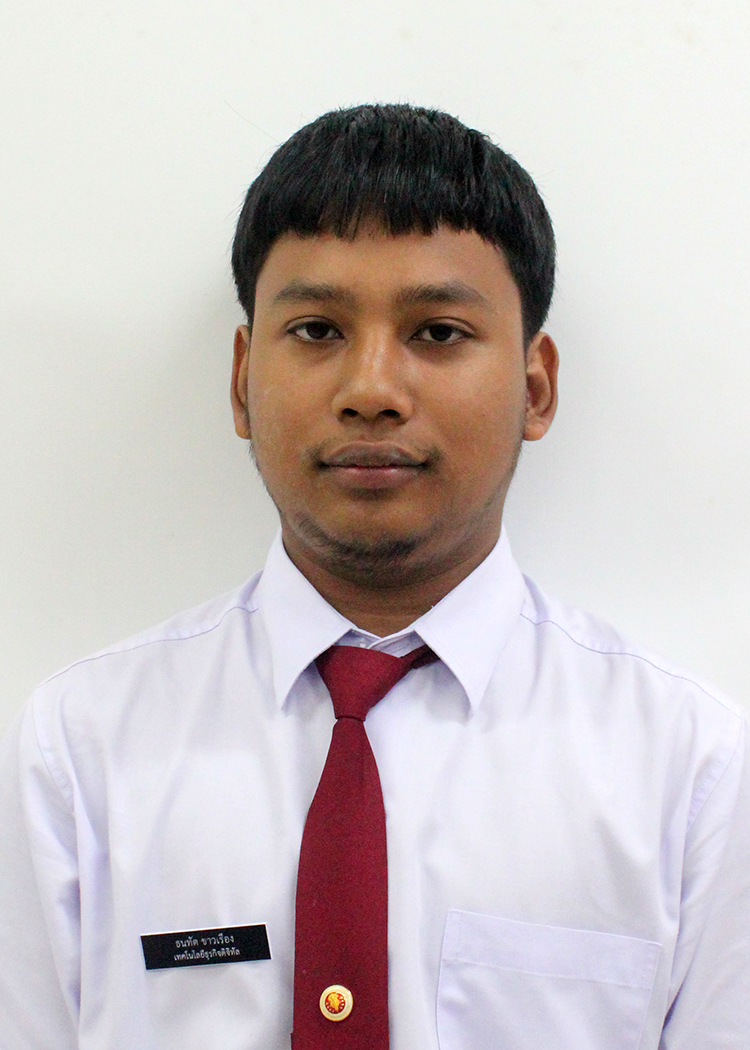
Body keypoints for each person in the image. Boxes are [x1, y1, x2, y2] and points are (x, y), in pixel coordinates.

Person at [0, 103, 748, 1050]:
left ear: (536, 387)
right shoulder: (81, 753)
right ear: (241, 381)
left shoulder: (690, 771)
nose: (372, 390)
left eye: (438, 332)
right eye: (317, 330)